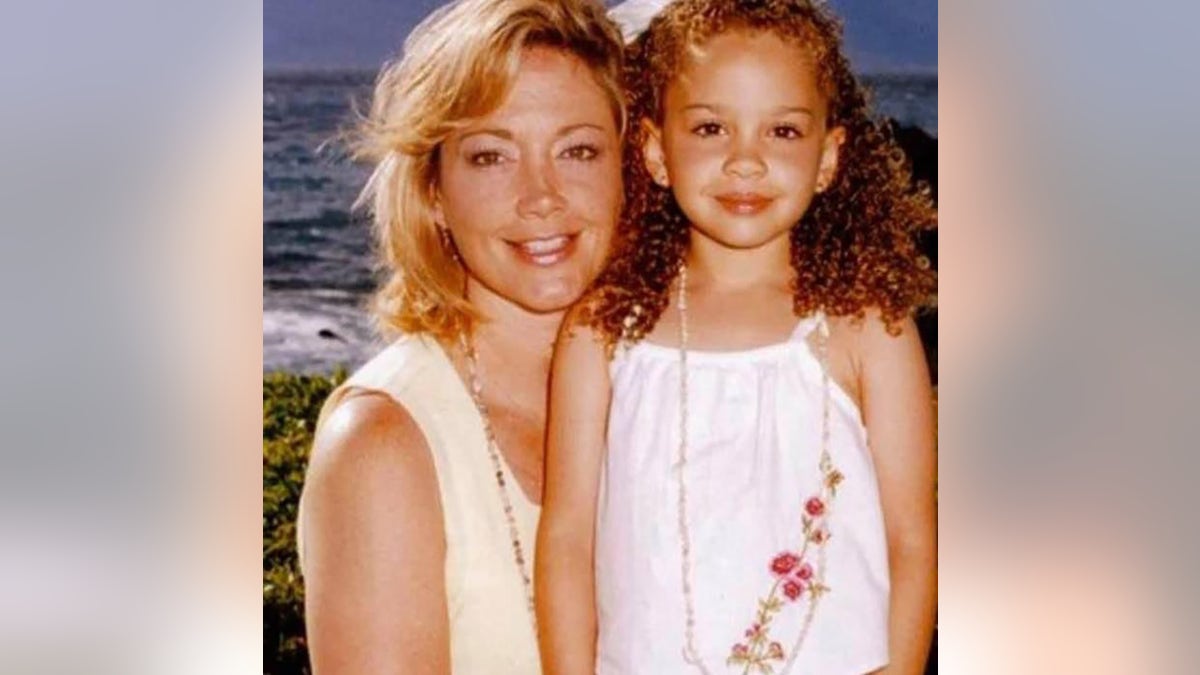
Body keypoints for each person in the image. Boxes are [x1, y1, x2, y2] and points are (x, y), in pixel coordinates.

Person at [536, 0, 937, 673]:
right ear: (658, 151)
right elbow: (568, 540)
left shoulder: (869, 328)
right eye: (712, 128)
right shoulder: (603, 331)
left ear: (829, 157)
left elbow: (913, 537)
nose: (745, 162)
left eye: (782, 131)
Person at [296, 0, 626, 672]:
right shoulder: (383, 443)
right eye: (490, 156)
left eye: (579, 150)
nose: (541, 195)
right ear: (435, 191)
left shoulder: (682, 387)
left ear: (632, 170)